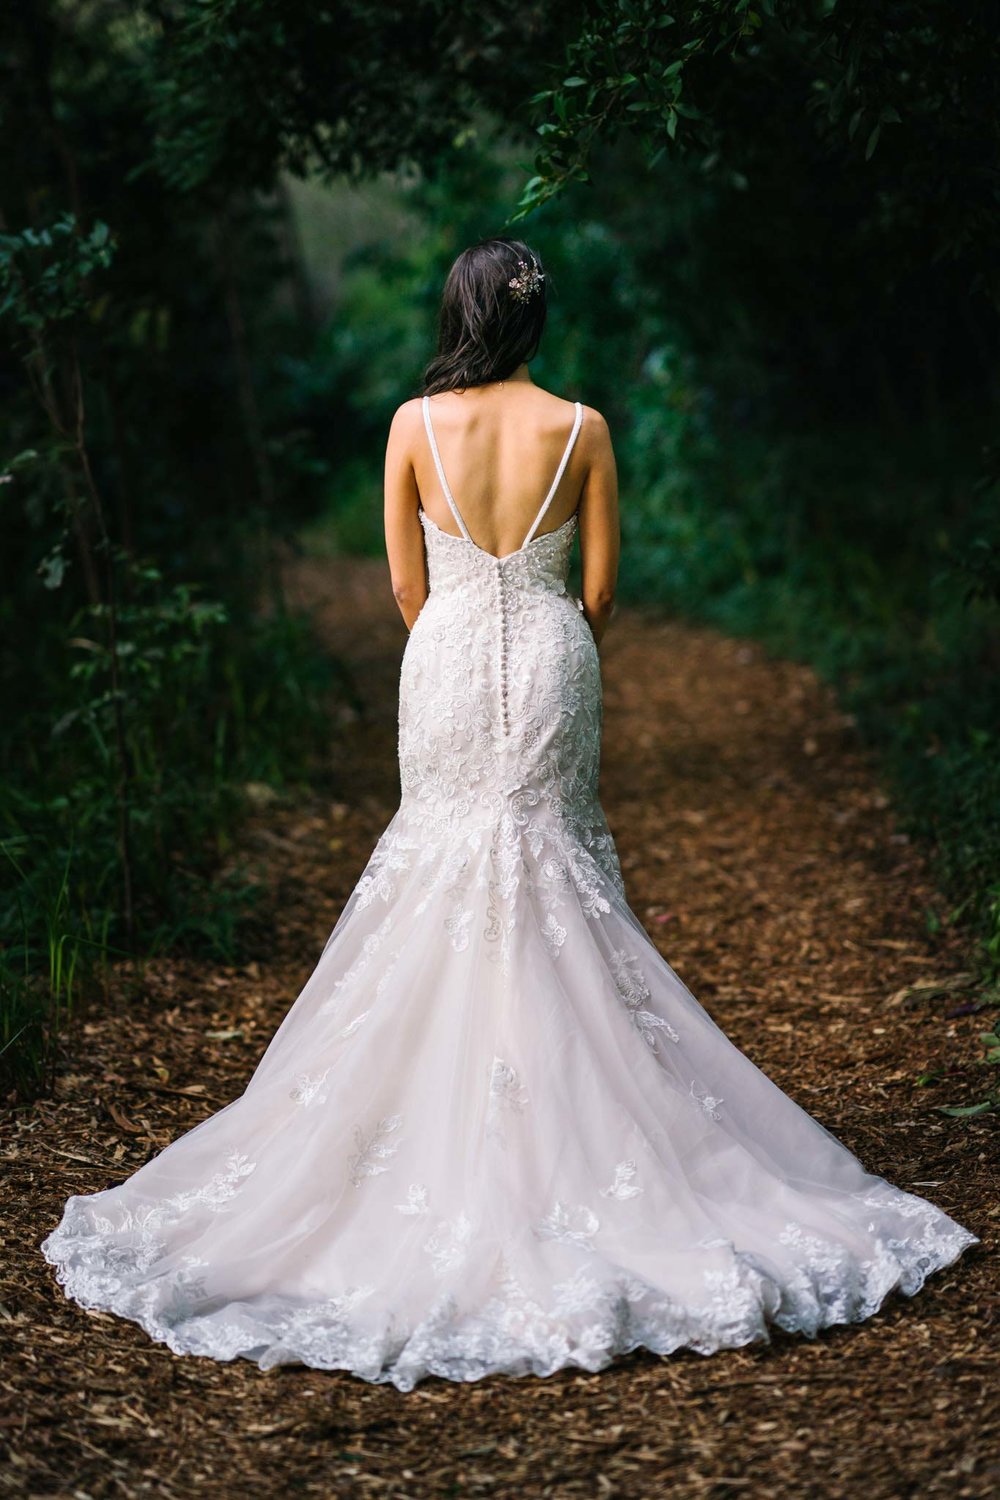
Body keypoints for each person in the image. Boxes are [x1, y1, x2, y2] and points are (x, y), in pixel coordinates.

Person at [42, 237, 978, 1391]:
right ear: (532, 319)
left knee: (442, 861)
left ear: (459, 314)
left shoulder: (408, 426)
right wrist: (537, 631)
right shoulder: (581, 428)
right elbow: (599, 590)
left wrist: (452, 634)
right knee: (549, 867)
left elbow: (401, 585)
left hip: (438, 659)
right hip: (549, 652)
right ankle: (583, 1127)